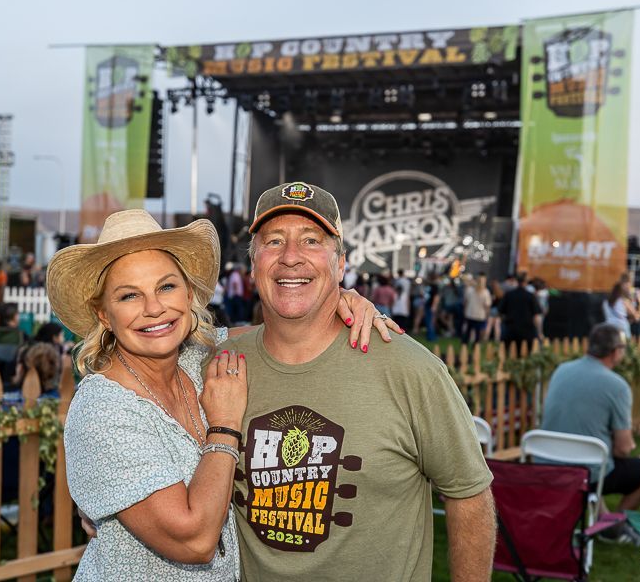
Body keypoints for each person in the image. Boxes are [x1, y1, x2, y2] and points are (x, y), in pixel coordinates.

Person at [52, 209, 398, 579]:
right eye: (128, 296)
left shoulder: (196, 359)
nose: (154, 309)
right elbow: (195, 541)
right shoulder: (104, 409)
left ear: (189, 294)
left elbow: (278, 334)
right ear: (104, 314)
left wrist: (339, 302)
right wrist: (225, 426)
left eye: (166, 286)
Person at [221, 182, 495, 582]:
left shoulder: (409, 369)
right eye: (273, 241)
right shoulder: (222, 365)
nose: (291, 257)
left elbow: (468, 494)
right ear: (254, 264)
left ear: (341, 266)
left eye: (311, 240)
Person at [541, 323, 640, 513]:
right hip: (587, 472)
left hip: (547, 464)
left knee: (598, 460)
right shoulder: (617, 386)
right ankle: (613, 524)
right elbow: (623, 449)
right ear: (615, 352)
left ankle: (602, 521)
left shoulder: (561, 370)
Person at [499, 272, 542, 351]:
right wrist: (539, 332)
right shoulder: (531, 296)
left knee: (507, 353)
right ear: (526, 282)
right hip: (527, 332)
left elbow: (501, 312)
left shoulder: (509, 295)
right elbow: (537, 317)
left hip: (510, 331)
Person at [463, 272, 492, 344]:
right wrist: (487, 315)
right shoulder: (486, 292)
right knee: (477, 333)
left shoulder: (469, 290)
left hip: (470, 313)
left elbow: (465, 302)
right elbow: (487, 306)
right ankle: (475, 347)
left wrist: (465, 311)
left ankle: (464, 346)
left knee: (468, 332)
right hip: (480, 315)